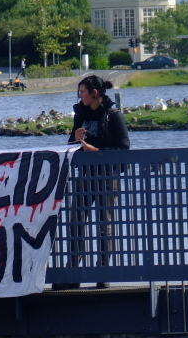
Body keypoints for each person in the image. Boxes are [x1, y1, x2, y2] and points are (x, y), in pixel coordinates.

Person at [52, 75, 130, 291]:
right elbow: (71, 146)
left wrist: (96, 152)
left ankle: (103, 271)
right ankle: (73, 272)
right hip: (84, 177)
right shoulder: (81, 114)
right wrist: (74, 138)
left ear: (94, 93)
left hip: (106, 177)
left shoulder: (113, 116)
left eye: (82, 92)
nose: (79, 96)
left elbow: (123, 149)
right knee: (76, 223)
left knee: (105, 225)